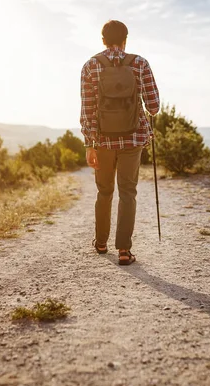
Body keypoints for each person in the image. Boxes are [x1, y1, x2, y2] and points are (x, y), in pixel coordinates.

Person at [80, 20, 160, 265]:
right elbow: (154, 106)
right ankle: (124, 250)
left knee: (104, 191)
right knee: (127, 192)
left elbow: (87, 110)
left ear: (102, 40)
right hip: (133, 137)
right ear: (126, 39)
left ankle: (101, 243)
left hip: (102, 140)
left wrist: (89, 144)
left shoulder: (91, 66)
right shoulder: (139, 63)